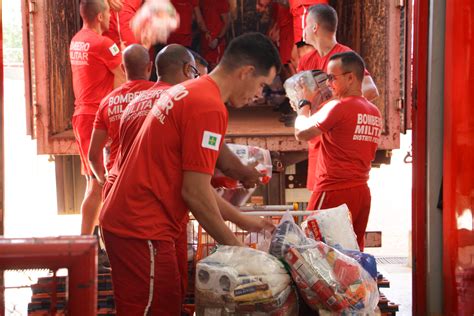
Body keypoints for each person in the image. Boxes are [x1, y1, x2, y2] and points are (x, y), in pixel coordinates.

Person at [99, 32, 281, 315]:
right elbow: (194, 193)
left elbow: (196, 185)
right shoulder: (207, 106)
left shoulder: (191, 92)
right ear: (246, 72)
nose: (259, 94)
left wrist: (246, 222)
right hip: (141, 227)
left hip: (140, 224)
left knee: (167, 303)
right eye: (261, 85)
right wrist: (240, 252)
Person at [293, 51, 382, 250]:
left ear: (350, 78)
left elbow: (302, 132)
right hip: (361, 192)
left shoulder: (338, 107)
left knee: (313, 251)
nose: (328, 83)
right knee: (351, 253)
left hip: (333, 192)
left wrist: (303, 104)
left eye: (332, 78)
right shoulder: (373, 112)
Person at [297, 3, 379, 196]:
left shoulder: (343, 57)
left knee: (329, 204)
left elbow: (370, 90)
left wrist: (334, 108)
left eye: (305, 25)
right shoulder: (306, 61)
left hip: (336, 142)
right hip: (317, 140)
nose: (303, 31)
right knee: (317, 198)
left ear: (314, 27)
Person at [69, 0, 125, 235]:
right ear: (101, 17)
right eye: (108, 13)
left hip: (83, 116)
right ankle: (86, 246)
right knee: (97, 184)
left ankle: (91, 241)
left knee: (92, 182)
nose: (112, 17)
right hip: (97, 119)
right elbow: (124, 79)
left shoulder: (77, 41)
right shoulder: (105, 44)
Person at [88, 44, 154, 186]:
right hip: (151, 181)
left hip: (116, 183)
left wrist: (103, 181)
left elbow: (93, 156)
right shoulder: (163, 95)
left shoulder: (107, 103)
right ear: (149, 67)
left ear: (123, 69)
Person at [199, 0, 231, 68]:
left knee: (215, 69)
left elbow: (227, 22)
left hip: (216, 44)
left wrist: (217, 39)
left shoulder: (221, 1)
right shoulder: (202, 1)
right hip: (205, 42)